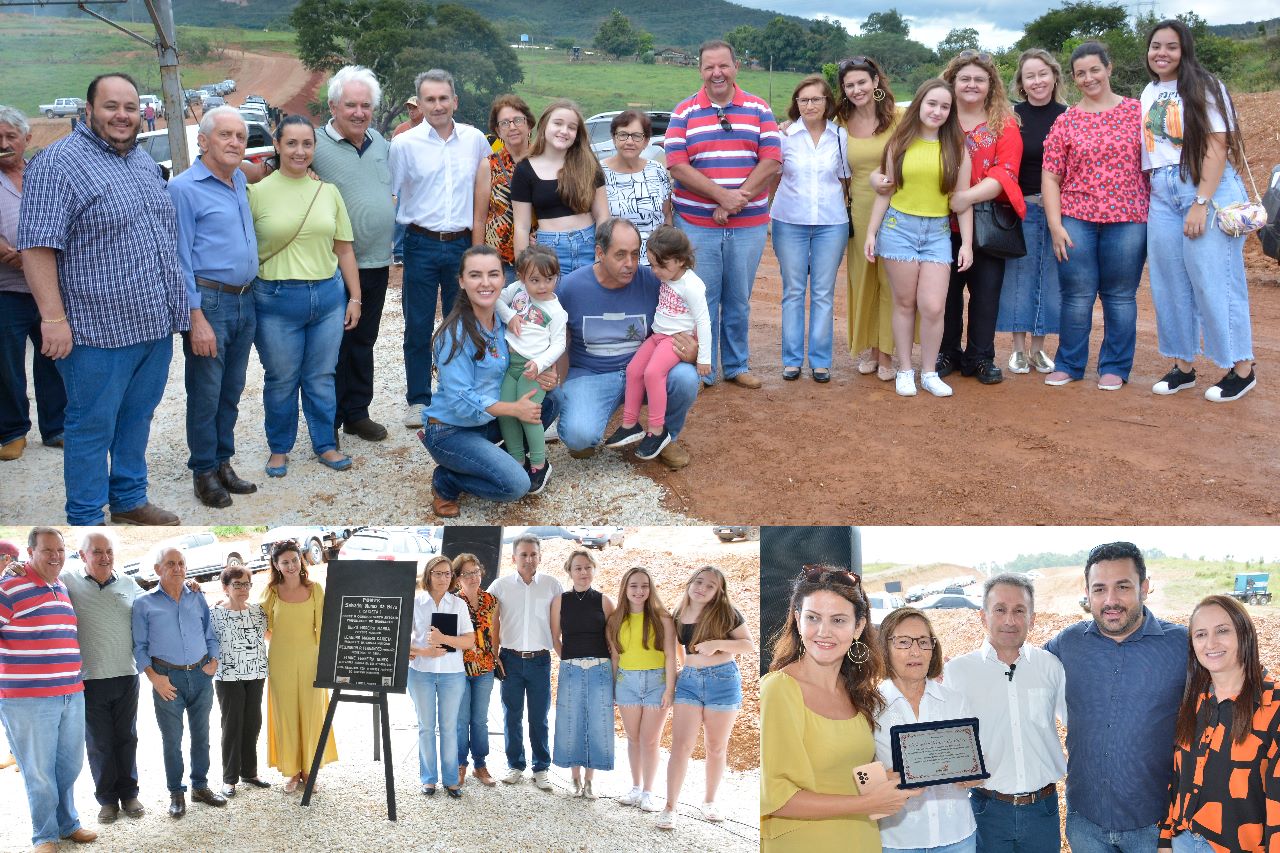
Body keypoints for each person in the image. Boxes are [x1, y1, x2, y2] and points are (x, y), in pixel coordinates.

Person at [18, 72, 187, 525]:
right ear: (88, 110)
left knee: (137, 420)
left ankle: (129, 499)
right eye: (111, 106)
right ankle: (87, 517)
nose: (122, 116)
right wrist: (52, 320)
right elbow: (35, 247)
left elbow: (162, 239)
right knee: (90, 429)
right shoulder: (57, 164)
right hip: (96, 334)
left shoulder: (142, 163)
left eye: (130, 107)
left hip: (153, 327)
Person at [761, 565, 918, 851]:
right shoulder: (777, 690)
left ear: (858, 627)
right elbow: (774, 796)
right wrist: (867, 803)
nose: (824, 632)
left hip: (861, 841)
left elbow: (850, 774)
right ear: (797, 620)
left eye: (838, 620)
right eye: (813, 618)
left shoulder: (856, 692)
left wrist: (902, 776)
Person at [1143, 19, 1259, 402]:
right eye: (1155, 46)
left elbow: (1217, 145)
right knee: (1169, 282)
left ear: (1185, 50)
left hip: (1203, 188)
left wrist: (1201, 202)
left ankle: (1241, 368)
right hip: (1162, 192)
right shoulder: (1148, 91)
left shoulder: (1206, 86)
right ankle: (1183, 366)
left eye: (1171, 47)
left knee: (1215, 279)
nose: (1162, 53)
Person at [1046, 542, 1188, 852]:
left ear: (1144, 587)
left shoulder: (1181, 645)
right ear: (1087, 592)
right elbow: (1019, 668)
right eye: (1099, 589)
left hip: (1153, 825)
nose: (1110, 601)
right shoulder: (1069, 643)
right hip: (1086, 822)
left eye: (1122, 587)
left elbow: (1233, 674)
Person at [248, 114, 362, 478]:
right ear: (277, 146)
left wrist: (355, 297)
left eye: (307, 143)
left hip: (328, 297)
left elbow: (344, 250)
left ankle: (325, 444)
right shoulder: (256, 193)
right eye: (292, 143)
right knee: (281, 378)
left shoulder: (327, 192)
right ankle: (279, 448)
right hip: (276, 300)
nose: (300, 151)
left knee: (321, 376)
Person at [666, 39, 781, 389]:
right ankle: (705, 368)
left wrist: (735, 200)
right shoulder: (683, 112)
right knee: (702, 298)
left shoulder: (760, 108)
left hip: (748, 224)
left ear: (736, 67)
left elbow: (772, 159)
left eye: (723, 65)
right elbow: (677, 165)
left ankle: (736, 365)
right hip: (697, 224)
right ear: (700, 70)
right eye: (709, 67)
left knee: (738, 299)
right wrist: (720, 196)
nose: (717, 73)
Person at [550, 217, 700, 470]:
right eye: (620, 255)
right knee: (578, 437)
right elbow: (552, 337)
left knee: (685, 377)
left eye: (634, 254)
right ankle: (588, 430)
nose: (630, 264)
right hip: (592, 374)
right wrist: (554, 381)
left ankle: (664, 436)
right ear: (600, 253)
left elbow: (692, 315)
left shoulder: (656, 281)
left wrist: (694, 351)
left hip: (646, 370)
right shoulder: (571, 288)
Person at [168, 105, 260, 509]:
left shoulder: (238, 178)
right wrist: (195, 316)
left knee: (231, 389)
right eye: (225, 135)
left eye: (240, 136)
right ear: (203, 141)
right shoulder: (184, 189)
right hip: (210, 302)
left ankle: (223, 462)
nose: (235, 143)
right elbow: (178, 258)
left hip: (245, 298)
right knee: (205, 391)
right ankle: (203, 470)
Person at [1041, 42, 1148, 391]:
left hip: (1128, 218)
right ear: (1073, 79)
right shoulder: (1066, 120)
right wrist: (1055, 226)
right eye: (1081, 73)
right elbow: (1051, 176)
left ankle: (1115, 367)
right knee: (1076, 295)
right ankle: (1069, 363)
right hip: (1076, 219)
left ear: (1109, 68)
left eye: (1095, 70)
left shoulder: (1138, 112)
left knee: (1119, 295)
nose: (1089, 78)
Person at [390, 69, 491, 430]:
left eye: (443, 98)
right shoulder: (404, 144)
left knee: (460, 323)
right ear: (420, 103)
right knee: (417, 325)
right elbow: (392, 192)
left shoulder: (476, 140)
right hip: (420, 242)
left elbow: (484, 192)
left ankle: (454, 393)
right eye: (429, 99)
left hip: (463, 245)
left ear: (455, 101)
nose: (437, 105)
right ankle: (418, 399)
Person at [865, 78, 973, 399]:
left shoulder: (957, 148)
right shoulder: (899, 143)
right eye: (932, 104)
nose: (937, 111)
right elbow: (885, 192)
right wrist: (872, 232)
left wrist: (966, 243)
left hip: (938, 233)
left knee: (933, 305)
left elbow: (962, 200)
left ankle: (929, 372)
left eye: (944, 106)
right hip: (899, 228)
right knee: (904, 302)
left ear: (950, 112)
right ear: (919, 105)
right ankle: (904, 370)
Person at [419, 245, 545, 517]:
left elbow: (525, 360)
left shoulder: (505, 321)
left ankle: (504, 459)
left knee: (548, 400)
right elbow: (461, 401)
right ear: (462, 281)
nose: (486, 283)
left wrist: (545, 373)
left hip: (487, 423)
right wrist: (513, 409)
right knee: (516, 485)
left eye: (493, 274)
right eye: (475, 275)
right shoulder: (455, 334)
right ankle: (447, 480)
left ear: (504, 279)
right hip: (451, 431)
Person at [945, 573, 1067, 853]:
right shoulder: (958, 673)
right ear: (983, 616)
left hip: (1043, 812)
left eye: (1019, 611)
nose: (1010, 620)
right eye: (1000, 610)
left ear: (1032, 618)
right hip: (987, 810)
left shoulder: (1050, 667)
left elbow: (1077, 725)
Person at [312, 65, 397, 442]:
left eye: (366, 105)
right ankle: (325, 418)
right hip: (330, 265)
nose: (359, 112)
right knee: (331, 344)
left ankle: (357, 412)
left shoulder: (380, 143)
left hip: (376, 261)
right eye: (351, 105)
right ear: (333, 105)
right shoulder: (313, 144)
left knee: (363, 340)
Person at [0, 528, 97, 852]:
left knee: (68, 765)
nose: (55, 556)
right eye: (47, 550)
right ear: (30, 552)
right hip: (28, 700)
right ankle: (44, 835)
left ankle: (68, 824)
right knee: (39, 772)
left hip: (71, 692)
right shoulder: (9, 586)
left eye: (60, 549)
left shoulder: (61, 586)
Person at [1159, 595, 1279, 852]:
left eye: (1222, 631)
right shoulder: (1195, 699)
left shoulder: (1273, 705)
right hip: (1183, 842)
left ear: (1244, 634)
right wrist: (1166, 838)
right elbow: (1178, 777)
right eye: (1200, 635)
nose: (1210, 643)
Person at [937, 51, 1024, 387]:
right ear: (953, 83)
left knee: (986, 293)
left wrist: (966, 197)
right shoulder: (940, 117)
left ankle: (981, 356)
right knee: (946, 293)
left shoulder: (1005, 123)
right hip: (941, 223)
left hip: (988, 223)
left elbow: (1006, 172)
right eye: (965, 79)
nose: (972, 85)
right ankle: (947, 351)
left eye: (979, 79)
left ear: (990, 85)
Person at [131, 547, 227, 818]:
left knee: (202, 736)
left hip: (200, 675)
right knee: (172, 739)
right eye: (170, 563)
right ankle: (176, 792)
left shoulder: (196, 596)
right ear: (157, 569)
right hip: (167, 679)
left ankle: (201, 786)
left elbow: (210, 634)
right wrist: (154, 678)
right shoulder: (144, 604)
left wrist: (214, 661)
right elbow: (139, 647)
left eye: (181, 563)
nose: (177, 568)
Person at [875, 607, 978, 853]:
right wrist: (889, 779)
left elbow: (976, 769)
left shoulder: (955, 701)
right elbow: (857, 778)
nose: (915, 651)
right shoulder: (868, 706)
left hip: (958, 837)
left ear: (933, 649)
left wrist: (974, 775)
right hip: (897, 841)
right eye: (903, 642)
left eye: (923, 642)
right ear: (885, 648)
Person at [59, 532, 147, 824]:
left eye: (109, 551)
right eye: (97, 552)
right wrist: (13, 568)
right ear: (82, 556)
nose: (105, 557)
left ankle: (130, 794)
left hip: (126, 674)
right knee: (99, 743)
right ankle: (107, 800)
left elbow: (155, 606)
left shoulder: (127, 583)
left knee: (127, 737)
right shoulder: (68, 580)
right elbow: (38, 574)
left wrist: (187, 587)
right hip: (89, 679)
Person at [660, 566, 754, 830]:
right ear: (690, 583)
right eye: (698, 582)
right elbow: (674, 651)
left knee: (715, 747)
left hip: (723, 682)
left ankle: (710, 801)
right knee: (681, 746)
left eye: (710, 585)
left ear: (718, 592)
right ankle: (670, 807)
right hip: (689, 683)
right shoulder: (677, 614)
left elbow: (748, 645)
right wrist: (685, 670)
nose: (702, 588)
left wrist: (717, 644)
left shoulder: (727, 613)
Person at [605, 225, 710, 460]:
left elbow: (704, 321)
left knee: (653, 373)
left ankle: (657, 431)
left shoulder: (692, 285)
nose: (655, 271)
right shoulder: (669, 275)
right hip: (657, 335)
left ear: (681, 260)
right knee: (634, 370)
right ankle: (630, 424)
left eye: (661, 265)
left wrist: (703, 357)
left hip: (674, 339)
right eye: (652, 264)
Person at [771, 74, 850, 383]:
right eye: (803, 100)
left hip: (831, 223)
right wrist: (768, 210)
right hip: (789, 221)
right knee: (792, 291)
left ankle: (820, 360)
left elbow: (845, 179)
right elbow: (774, 176)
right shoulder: (785, 136)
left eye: (816, 99)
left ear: (827, 102)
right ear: (796, 104)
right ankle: (791, 360)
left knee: (822, 293)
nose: (810, 105)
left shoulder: (840, 137)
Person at [0, 105, 65, 462]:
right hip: (7, 288)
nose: (5, 143)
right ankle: (12, 431)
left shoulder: (44, 174)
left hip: (50, 288)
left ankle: (55, 427)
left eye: (11, 136)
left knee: (53, 356)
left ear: (27, 139)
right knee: (6, 362)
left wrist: (33, 255)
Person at [997, 49, 1067, 376]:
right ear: (1022, 83)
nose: (1037, 81)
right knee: (1019, 276)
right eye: (1030, 76)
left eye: (1043, 74)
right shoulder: (1011, 117)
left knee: (1050, 278)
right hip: (1020, 207)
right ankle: (1017, 350)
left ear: (1054, 76)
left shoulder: (1069, 116)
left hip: (1058, 209)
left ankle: (1039, 350)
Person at [838, 57, 901, 382]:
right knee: (863, 280)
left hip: (898, 209)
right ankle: (869, 347)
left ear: (876, 82)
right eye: (850, 85)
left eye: (862, 82)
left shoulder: (898, 117)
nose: (856, 89)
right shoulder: (839, 120)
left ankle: (888, 352)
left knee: (891, 282)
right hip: (858, 210)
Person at [261, 540, 338, 794]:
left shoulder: (315, 589)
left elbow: (324, 628)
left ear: (301, 560)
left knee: (311, 714)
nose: (291, 565)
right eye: (285, 562)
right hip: (280, 660)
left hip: (311, 660)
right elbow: (260, 624)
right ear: (276, 565)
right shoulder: (270, 591)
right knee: (286, 715)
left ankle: (310, 771)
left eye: (295, 560)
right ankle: (293, 771)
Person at [487, 533, 562, 791]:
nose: (528, 559)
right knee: (511, 715)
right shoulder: (499, 586)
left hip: (540, 660)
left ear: (540, 557)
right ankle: (515, 765)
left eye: (533, 554)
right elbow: (491, 623)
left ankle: (541, 768)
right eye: (523, 554)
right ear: (513, 558)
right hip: (509, 659)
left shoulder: (553, 586)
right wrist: (494, 655)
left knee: (539, 716)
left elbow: (559, 624)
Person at [494, 244, 567, 494]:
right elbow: (498, 301)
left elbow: (559, 344)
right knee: (506, 411)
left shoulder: (556, 311)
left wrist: (540, 364)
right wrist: (509, 317)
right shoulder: (516, 291)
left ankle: (538, 463)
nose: (543, 286)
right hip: (510, 365)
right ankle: (517, 460)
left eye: (549, 279)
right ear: (521, 276)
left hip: (532, 369)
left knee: (529, 414)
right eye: (535, 280)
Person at [606, 566, 676, 813]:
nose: (639, 591)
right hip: (627, 684)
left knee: (650, 740)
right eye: (633, 586)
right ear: (625, 588)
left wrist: (669, 689)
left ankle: (648, 791)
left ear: (650, 588)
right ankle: (635, 787)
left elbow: (670, 655)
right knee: (633, 738)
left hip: (657, 683)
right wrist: (614, 688)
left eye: (644, 586)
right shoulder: (615, 620)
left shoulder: (663, 618)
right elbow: (615, 658)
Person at [511, 98, 608, 274]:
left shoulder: (589, 164)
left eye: (572, 127)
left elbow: (602, 216)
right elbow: (521, 226)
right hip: (548, 252)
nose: (564, 131)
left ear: (577, 134)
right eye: (558, 123)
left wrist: (600, 256)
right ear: (544, 126)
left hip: (589, 246)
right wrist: (523, 271)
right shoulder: (524, 169)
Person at [408, 555, 475, 798]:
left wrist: (443, 639)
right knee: (426, 727)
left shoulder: (458, 605)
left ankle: (451, 780)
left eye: (447, 574)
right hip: (420, 674)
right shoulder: (416, 603)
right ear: (428, 576)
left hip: (452, 675)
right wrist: (425, 651)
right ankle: (428, 779)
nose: (443, 578)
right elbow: (403, 643)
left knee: (449, 727)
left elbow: (469, 641)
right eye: (438, 573)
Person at [550, 549, 615, 798]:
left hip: (600, 668)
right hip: (571, 668)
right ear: (569, 571)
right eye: (578, 568)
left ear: (594, 569)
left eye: (587, 567)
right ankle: (574, 778)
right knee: (570, 722)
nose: (583, 572)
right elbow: (555, 638)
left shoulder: (604, 601)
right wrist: (568, 660)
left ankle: (590, 780)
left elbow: (613, 639)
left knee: (597, 722)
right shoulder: (560, 601)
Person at [208, 564, 270, 799]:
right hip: (228, 676)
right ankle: (229, 779)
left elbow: (267, 635)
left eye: (247, 584)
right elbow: (209, 641)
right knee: (232, 725)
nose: (243, 588)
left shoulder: (257, 611)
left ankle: (249, 772)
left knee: (253, 723)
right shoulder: (214, 613)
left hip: (256, 673)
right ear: (226, 587)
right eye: (237, 584)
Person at [473, 94, 536, 281]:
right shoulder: (488, 165)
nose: (513, 127)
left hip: (539, 259)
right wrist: (478, 260)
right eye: (505, 123)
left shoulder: (544, 161)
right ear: (498, 131)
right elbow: (479, 218)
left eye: (518, 120)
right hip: (500, 263)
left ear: (529, 125)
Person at [452, 552, 499, 787]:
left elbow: (496, 632)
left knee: (480, 720)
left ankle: (480, 765)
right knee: (461, 720)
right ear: (457, 578)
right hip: (459, 670)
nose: (473, 577)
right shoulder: (452, 602)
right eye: (467, 573)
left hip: (485, 668)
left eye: (476, 571)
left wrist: (497, 656)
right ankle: (460, 764)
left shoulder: (491, 600)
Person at [600, 109, 672, 264]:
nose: (629, 141)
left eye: (637, 136)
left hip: (655, 261)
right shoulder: (598, 172)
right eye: (623, 134)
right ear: (614, 138)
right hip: (616, 262)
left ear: (646, 141)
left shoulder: (657, 170)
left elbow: (666, 216)